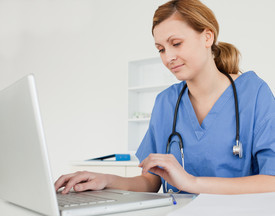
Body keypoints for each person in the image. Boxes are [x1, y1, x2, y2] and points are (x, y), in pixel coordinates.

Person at [55, 0, 275, 195]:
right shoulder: (166, 102)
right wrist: (107, 180)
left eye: (176, 43)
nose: (168, 57)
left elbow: (271, 181)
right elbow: (150, 181)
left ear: (207, 37)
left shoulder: (254, 93)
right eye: (160, 49)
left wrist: (191, 182)